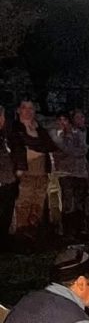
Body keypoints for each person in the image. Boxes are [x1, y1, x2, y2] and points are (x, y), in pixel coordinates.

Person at [8, 98, 58, 243]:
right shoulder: (15, 129)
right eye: (25, 108)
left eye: (31, 108)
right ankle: (21, 236)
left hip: (41, 173)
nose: (28, 111)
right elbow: (18, 149)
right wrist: (31, 152)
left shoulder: (40, 130)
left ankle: (33, 234)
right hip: (25, 173)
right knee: (24, 204)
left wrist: (34, 149)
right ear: (19, 110)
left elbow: (49, 146)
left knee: (38, 205)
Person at [53, 109, 89, 239]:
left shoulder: (77, 133)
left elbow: (83, 150)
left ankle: (80, 229)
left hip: (80, 172)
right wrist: (71, 151)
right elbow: (60, 150)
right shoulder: (56, 135)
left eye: (65, 120)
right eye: (60, 120)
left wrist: (70, 151)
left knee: (80, 202)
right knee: (68, 202)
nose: (63, 123)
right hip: (65, 172)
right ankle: (68, 230)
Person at [0, 106, 20, 248]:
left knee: (6, 211)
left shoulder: (5, 135)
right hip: (2, 180)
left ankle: (4, 239)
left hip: (8, 180)